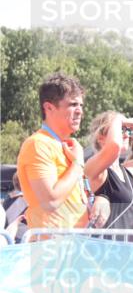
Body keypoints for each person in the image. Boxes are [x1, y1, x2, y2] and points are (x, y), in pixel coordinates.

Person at [16, 72, 90, 230]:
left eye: (81, 105)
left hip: (76, 246)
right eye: (72, 105)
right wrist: (77, 164)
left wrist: (100, 201)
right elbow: (50, 202)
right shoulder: (37, 144)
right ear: (49, 107)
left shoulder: (68, 146)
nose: (79, 111)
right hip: (51, 249)